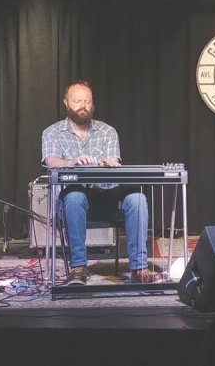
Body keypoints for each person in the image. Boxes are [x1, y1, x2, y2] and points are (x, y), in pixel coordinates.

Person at [41, 80, 163, 285]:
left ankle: (139, 269)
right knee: (74, 196)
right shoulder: (52, 132)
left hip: (107, 198)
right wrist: (72, 162)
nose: (83, 105)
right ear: (66, 103)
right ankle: (78, 268)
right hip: (75, 205)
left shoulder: (108, 131)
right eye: (77, 101)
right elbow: (51, 161)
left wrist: (110, 163)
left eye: (87, 101)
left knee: (137, 198)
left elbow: (114, 160)